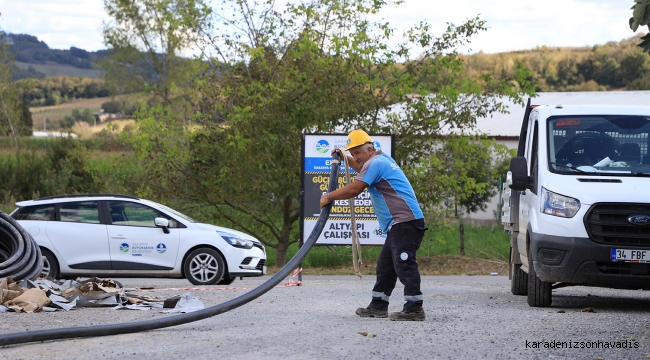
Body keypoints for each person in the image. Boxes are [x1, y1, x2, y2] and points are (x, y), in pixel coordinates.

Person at [320, 129, 427, 321]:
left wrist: (329, 196)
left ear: (369, 149)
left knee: (404, 262)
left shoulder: (375, 163)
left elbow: (355, 189)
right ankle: (378, 306)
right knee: (386, 265)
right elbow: (362, 168)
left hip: (405, 222)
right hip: (401, 224)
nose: (356, 157)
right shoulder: (382, 160)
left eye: (358, 153)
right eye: (353, 154)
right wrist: (345, 156)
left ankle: (414, 308)